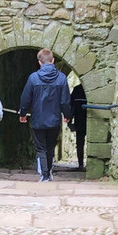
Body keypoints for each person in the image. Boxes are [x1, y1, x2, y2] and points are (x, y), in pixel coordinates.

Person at [18, 48, 72, 182]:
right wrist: (67, 114)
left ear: (39, 63)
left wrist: (23, 113)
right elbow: (65, 100)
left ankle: (45, 175)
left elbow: (26, 98)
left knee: (40, 148)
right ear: (53, 61)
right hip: (54, 119)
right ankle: (48, 172)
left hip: (38, 119)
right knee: (50, 146)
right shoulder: (61, 78)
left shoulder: (33, 78)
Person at [68, 83, 87, 171]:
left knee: (80, 143)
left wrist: (70, 121)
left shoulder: (77, 89)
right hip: (82, 120)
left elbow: (71, 106)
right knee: (80, 143)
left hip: (79, 120)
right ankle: (81, 164)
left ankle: (80, 165)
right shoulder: (77, 90)